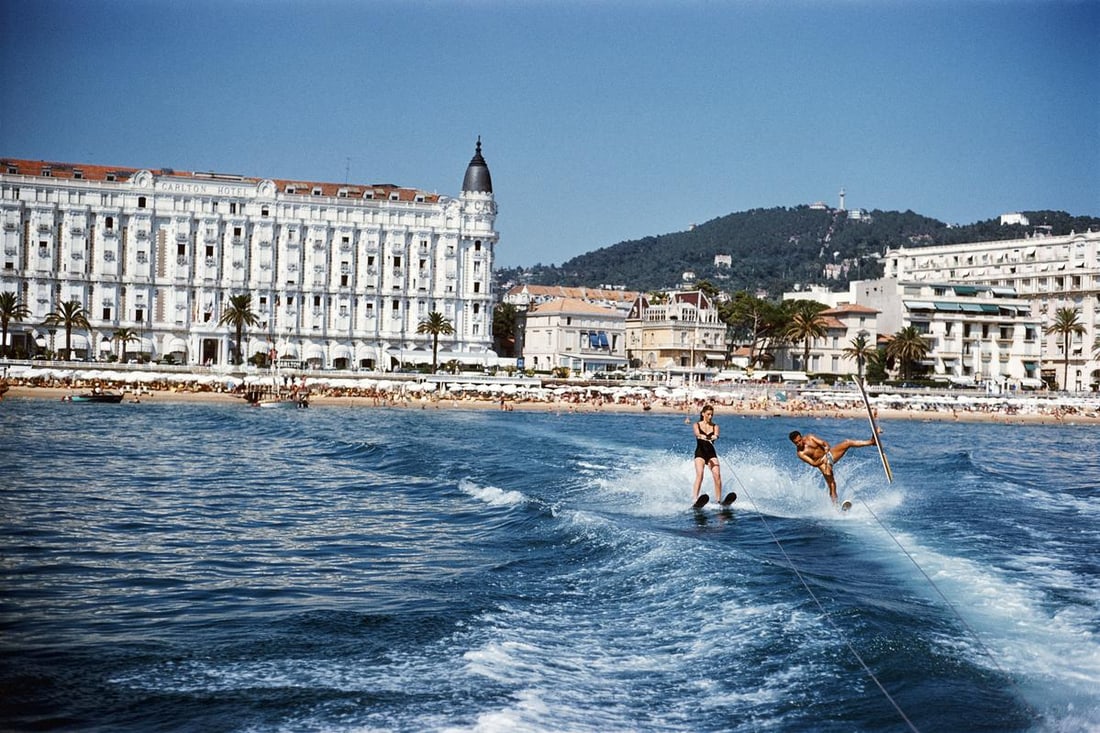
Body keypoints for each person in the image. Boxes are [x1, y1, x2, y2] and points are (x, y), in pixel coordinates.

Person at [788, 429, 878, 504]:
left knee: (847, 442)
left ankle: (871, 442)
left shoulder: (810, 437)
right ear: (793, 443)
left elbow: (824, 443)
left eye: (800, 440)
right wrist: (822, 460)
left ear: (801, 437)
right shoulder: (800, 453)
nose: (799, 443)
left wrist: (826, 447)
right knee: (832, 484)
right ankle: (836, 506)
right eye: (796, 443)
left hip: (830, 454)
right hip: (822, 464)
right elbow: (813, 463)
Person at [691, 404, 723, 504]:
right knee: (700, 474)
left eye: (712, 415)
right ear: (703, 414)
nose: (710, 416)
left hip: (711, 453)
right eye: (708, 414)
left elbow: (716, 434)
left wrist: (714, 437)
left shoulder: (715, 426)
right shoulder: (696, 425)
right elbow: (696, 433)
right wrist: (701, 436)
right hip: (700, 453)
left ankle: (718, 500)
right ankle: (695, 499)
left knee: (717, 475)